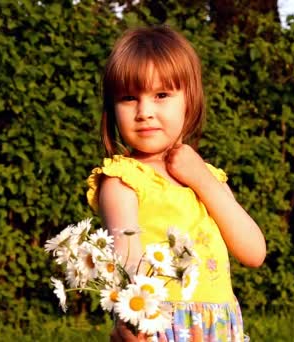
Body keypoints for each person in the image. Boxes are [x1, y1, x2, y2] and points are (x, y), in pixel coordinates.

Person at [86, 25, 266, 342]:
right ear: (112, 108)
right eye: (129, 98)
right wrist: (132, 325)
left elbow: (253, 252)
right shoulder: (123, 180)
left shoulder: (207, 176)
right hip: (160, 328)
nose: (145, 112)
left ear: (189, 100)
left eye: (161, 95)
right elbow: (127, 263)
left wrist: (202, 180)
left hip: (218, 328)